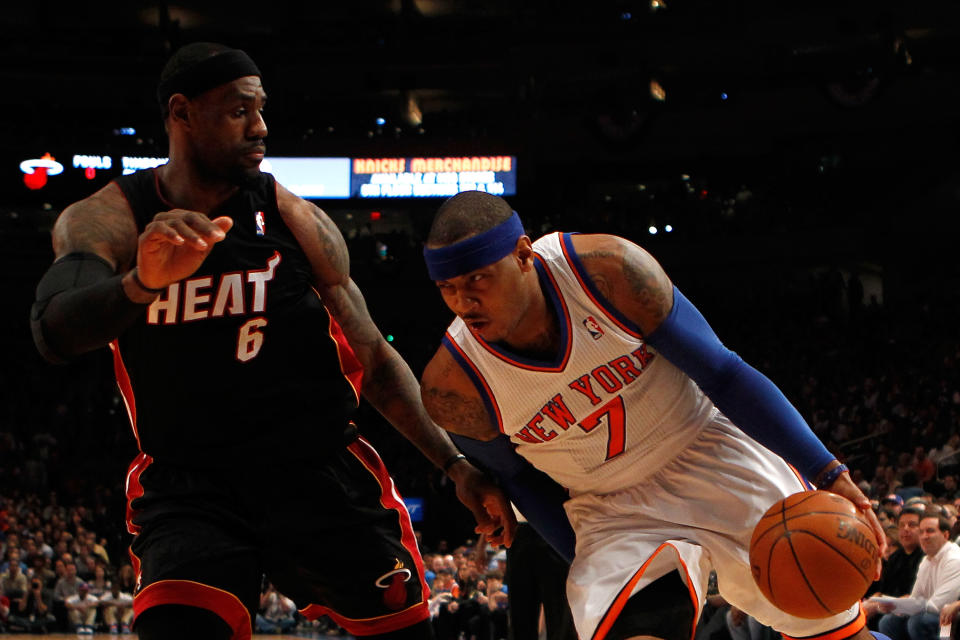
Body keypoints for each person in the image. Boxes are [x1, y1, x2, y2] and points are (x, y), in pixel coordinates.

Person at [29, 42, 515, 640]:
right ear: (181, 114)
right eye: (239, 111)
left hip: (319, 473)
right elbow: (54, 329)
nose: (260, 127)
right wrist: (140, 283)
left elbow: (376, 361)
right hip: (192, 487)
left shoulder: (294, 219)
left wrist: (455, 464)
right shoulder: (111, 219)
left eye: (261, 109)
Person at [418, 191, 887, 640]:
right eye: (447, 288)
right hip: (609, 506)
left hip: (708, 446)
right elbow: (520, 481)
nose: (463, 302)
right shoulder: (454, 386)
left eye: (478, 280)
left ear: (524, 255)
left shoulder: (606, 272)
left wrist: (827, 471)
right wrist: (585, 557)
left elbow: (723, 373)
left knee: (831, 625)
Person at [874, 512, 960, 640]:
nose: (924, 536)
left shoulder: (954, 559)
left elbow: (937, 606)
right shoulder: (926, 560)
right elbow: (916, 597)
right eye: (921, 532)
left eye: (930, 531)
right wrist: (894, 606)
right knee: (888, 621)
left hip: (951, 619)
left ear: (946, 535)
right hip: (936, 614)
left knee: (918, 621)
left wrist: (902, 605)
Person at [865, 505, 926, 624]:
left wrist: (880, 605)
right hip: (888, 606)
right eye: (902, 525)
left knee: (887, 622)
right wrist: (867, 604)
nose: (906, 529)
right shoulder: (894, 558)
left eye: (912, 525)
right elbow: (882, 591)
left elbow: (919, 596)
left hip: (913, 609)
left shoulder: (926, 557)